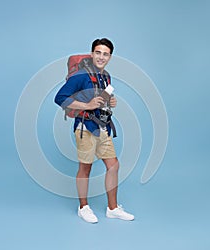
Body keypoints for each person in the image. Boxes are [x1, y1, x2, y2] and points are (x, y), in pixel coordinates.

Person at [54, 38, 134, 223]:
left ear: (110, 57)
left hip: (102, 126)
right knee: (85, 168)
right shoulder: (80, 76)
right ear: (91, 54)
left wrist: (110, 101)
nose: (101, 57)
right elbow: (60, 98)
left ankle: (112, 209)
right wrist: (86, 105)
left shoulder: (106, 76)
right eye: (98, 52)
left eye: (105, 54)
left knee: (113, 166)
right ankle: (83, 207)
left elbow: (101, 98)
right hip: (85, 127)